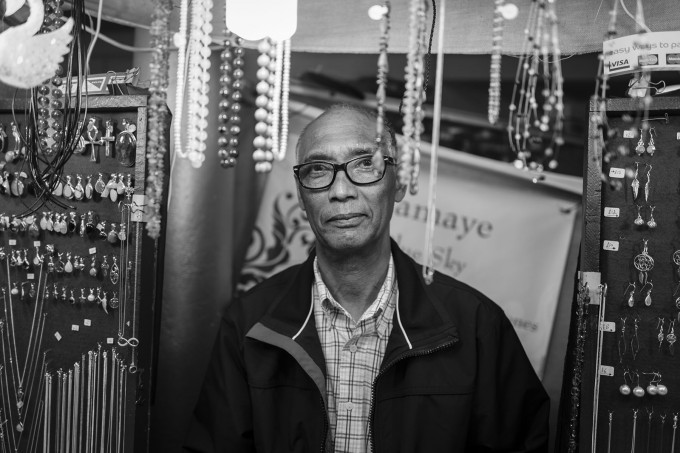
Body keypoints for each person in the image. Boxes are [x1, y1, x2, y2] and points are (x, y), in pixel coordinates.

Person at [184, 104, 550, 453]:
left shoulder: (476, 326)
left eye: (364, 164)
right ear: (300, 195)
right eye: (317, 170)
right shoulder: (249, 323)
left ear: (400, 183)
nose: (341, 190)